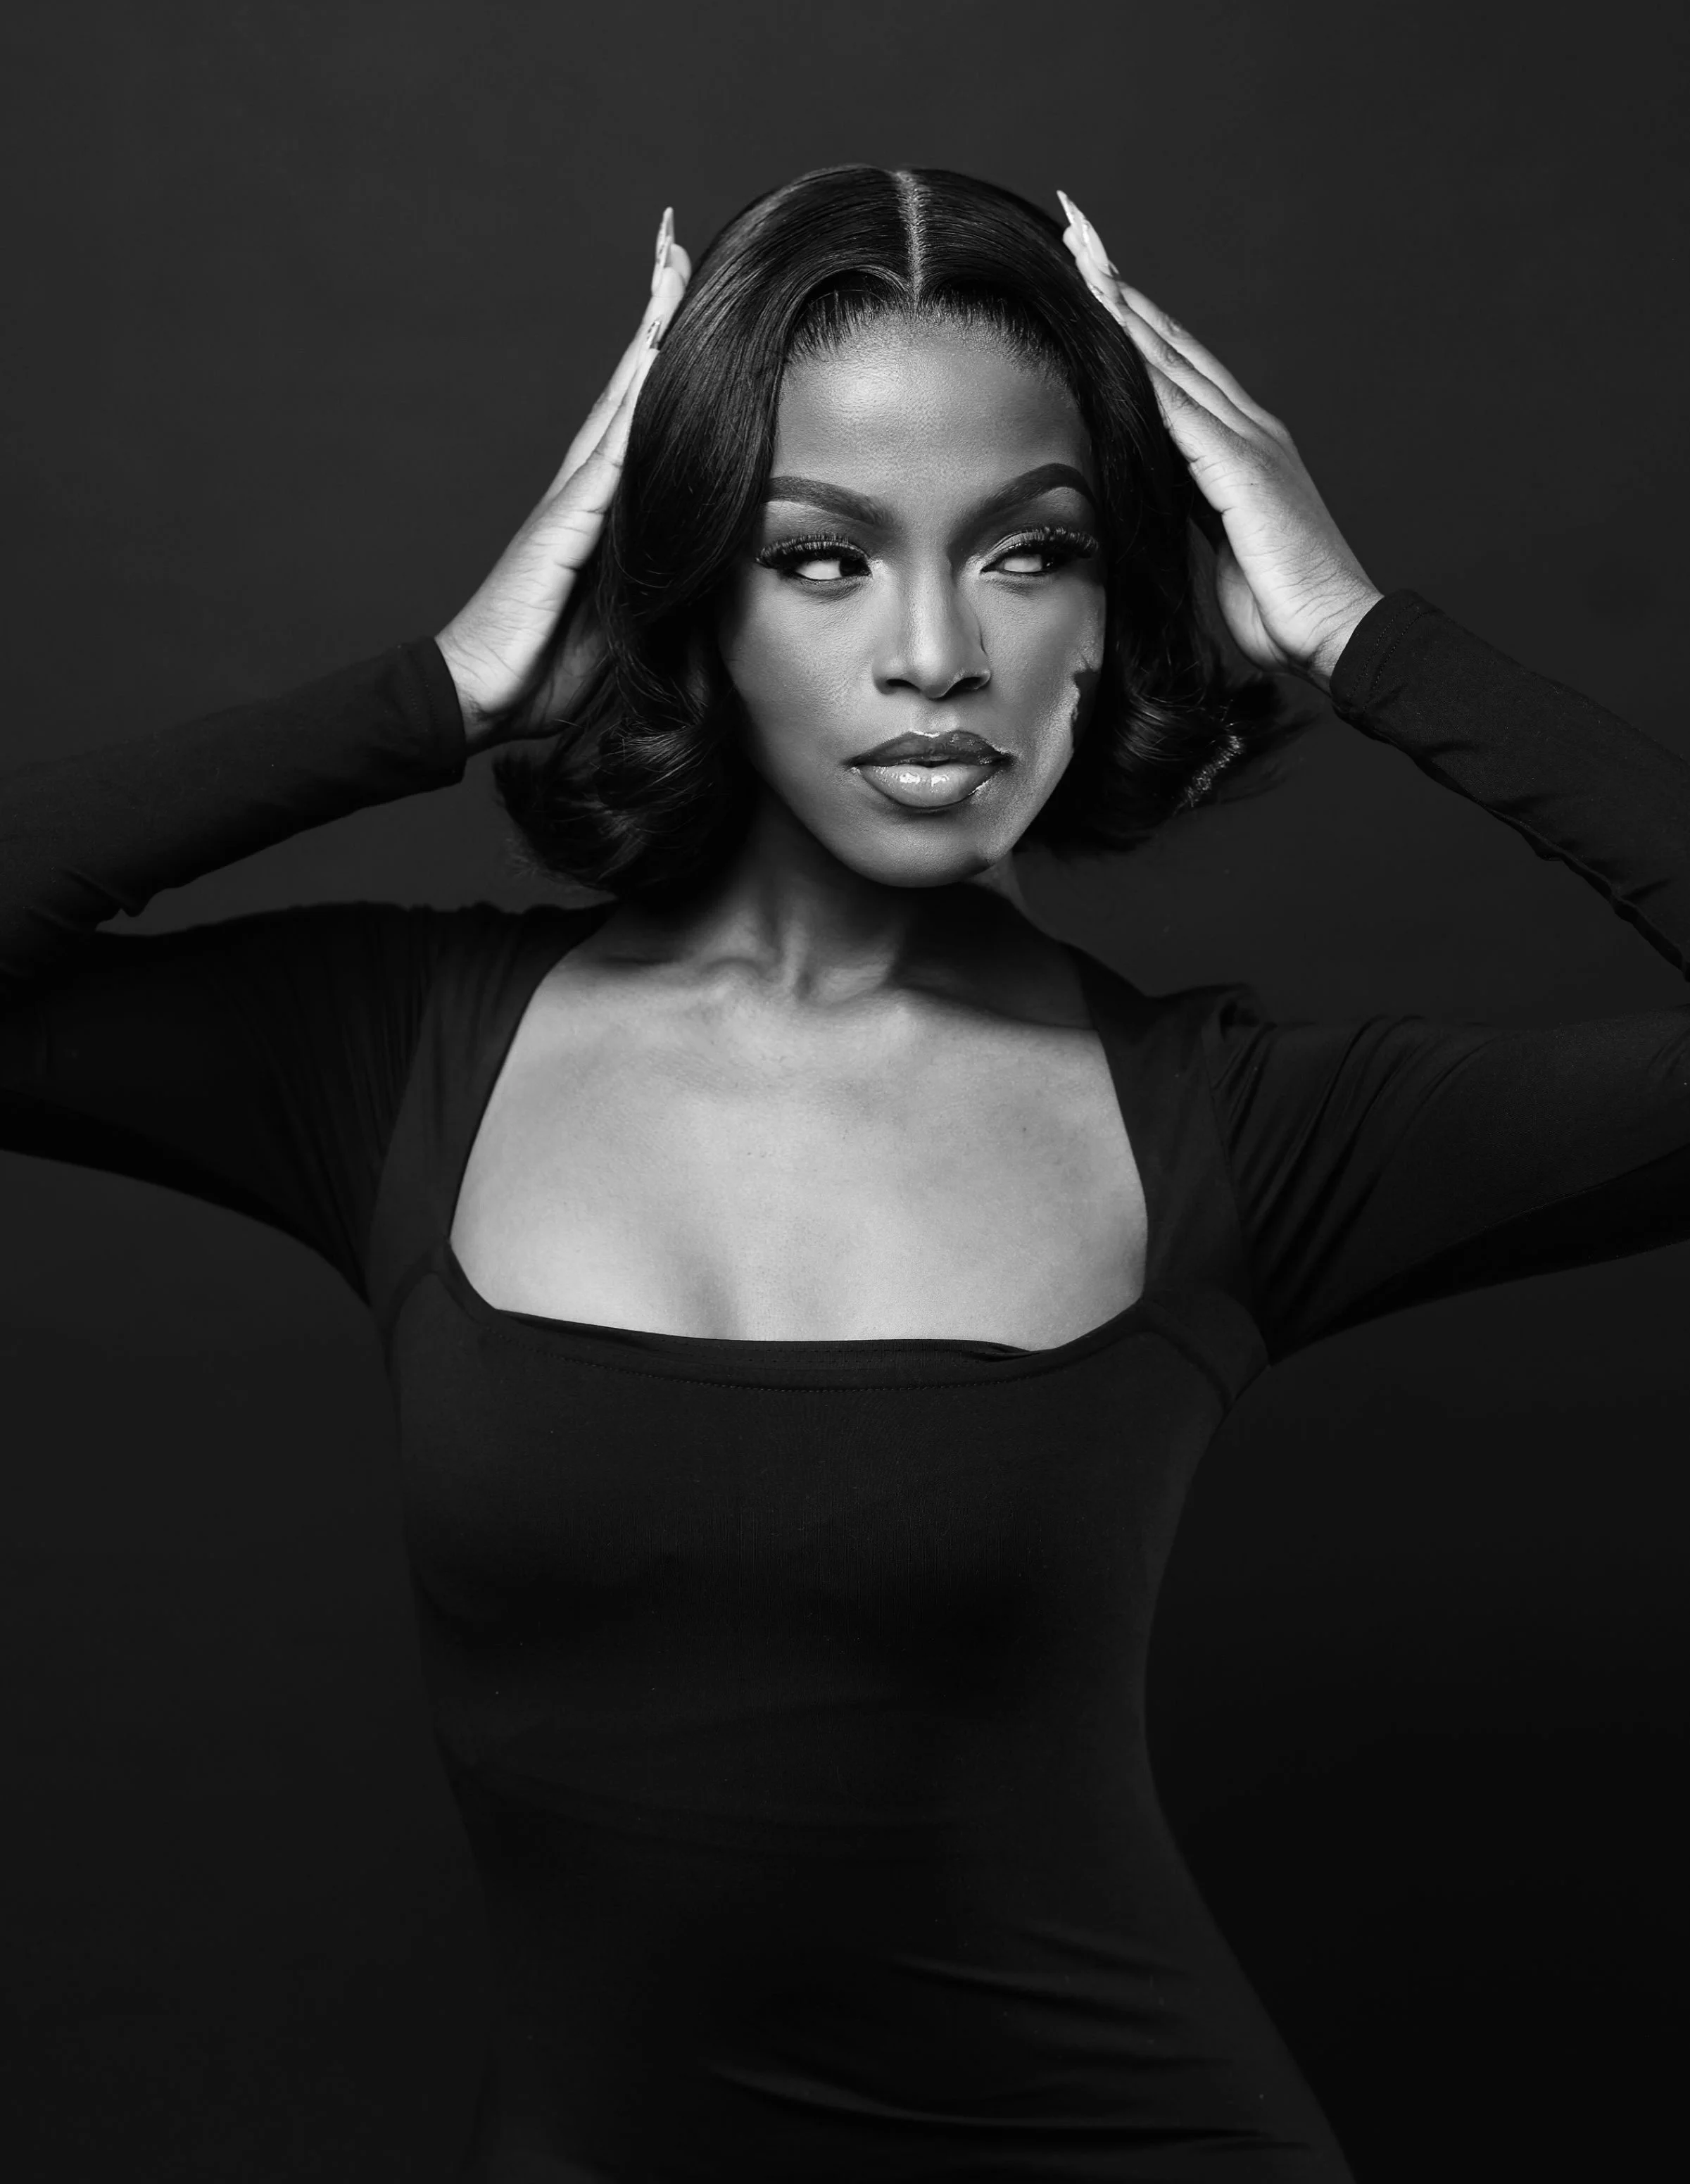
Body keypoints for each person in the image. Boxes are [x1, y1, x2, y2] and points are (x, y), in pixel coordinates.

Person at [2, 163, 1686, 2183]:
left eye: (1030, 552)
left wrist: (1362, 634)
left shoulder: (1231, 1134)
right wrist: (440, 690)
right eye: (819, 558)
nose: (932, 654)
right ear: (688, 583)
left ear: (1120, 600)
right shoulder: (398, 1063)